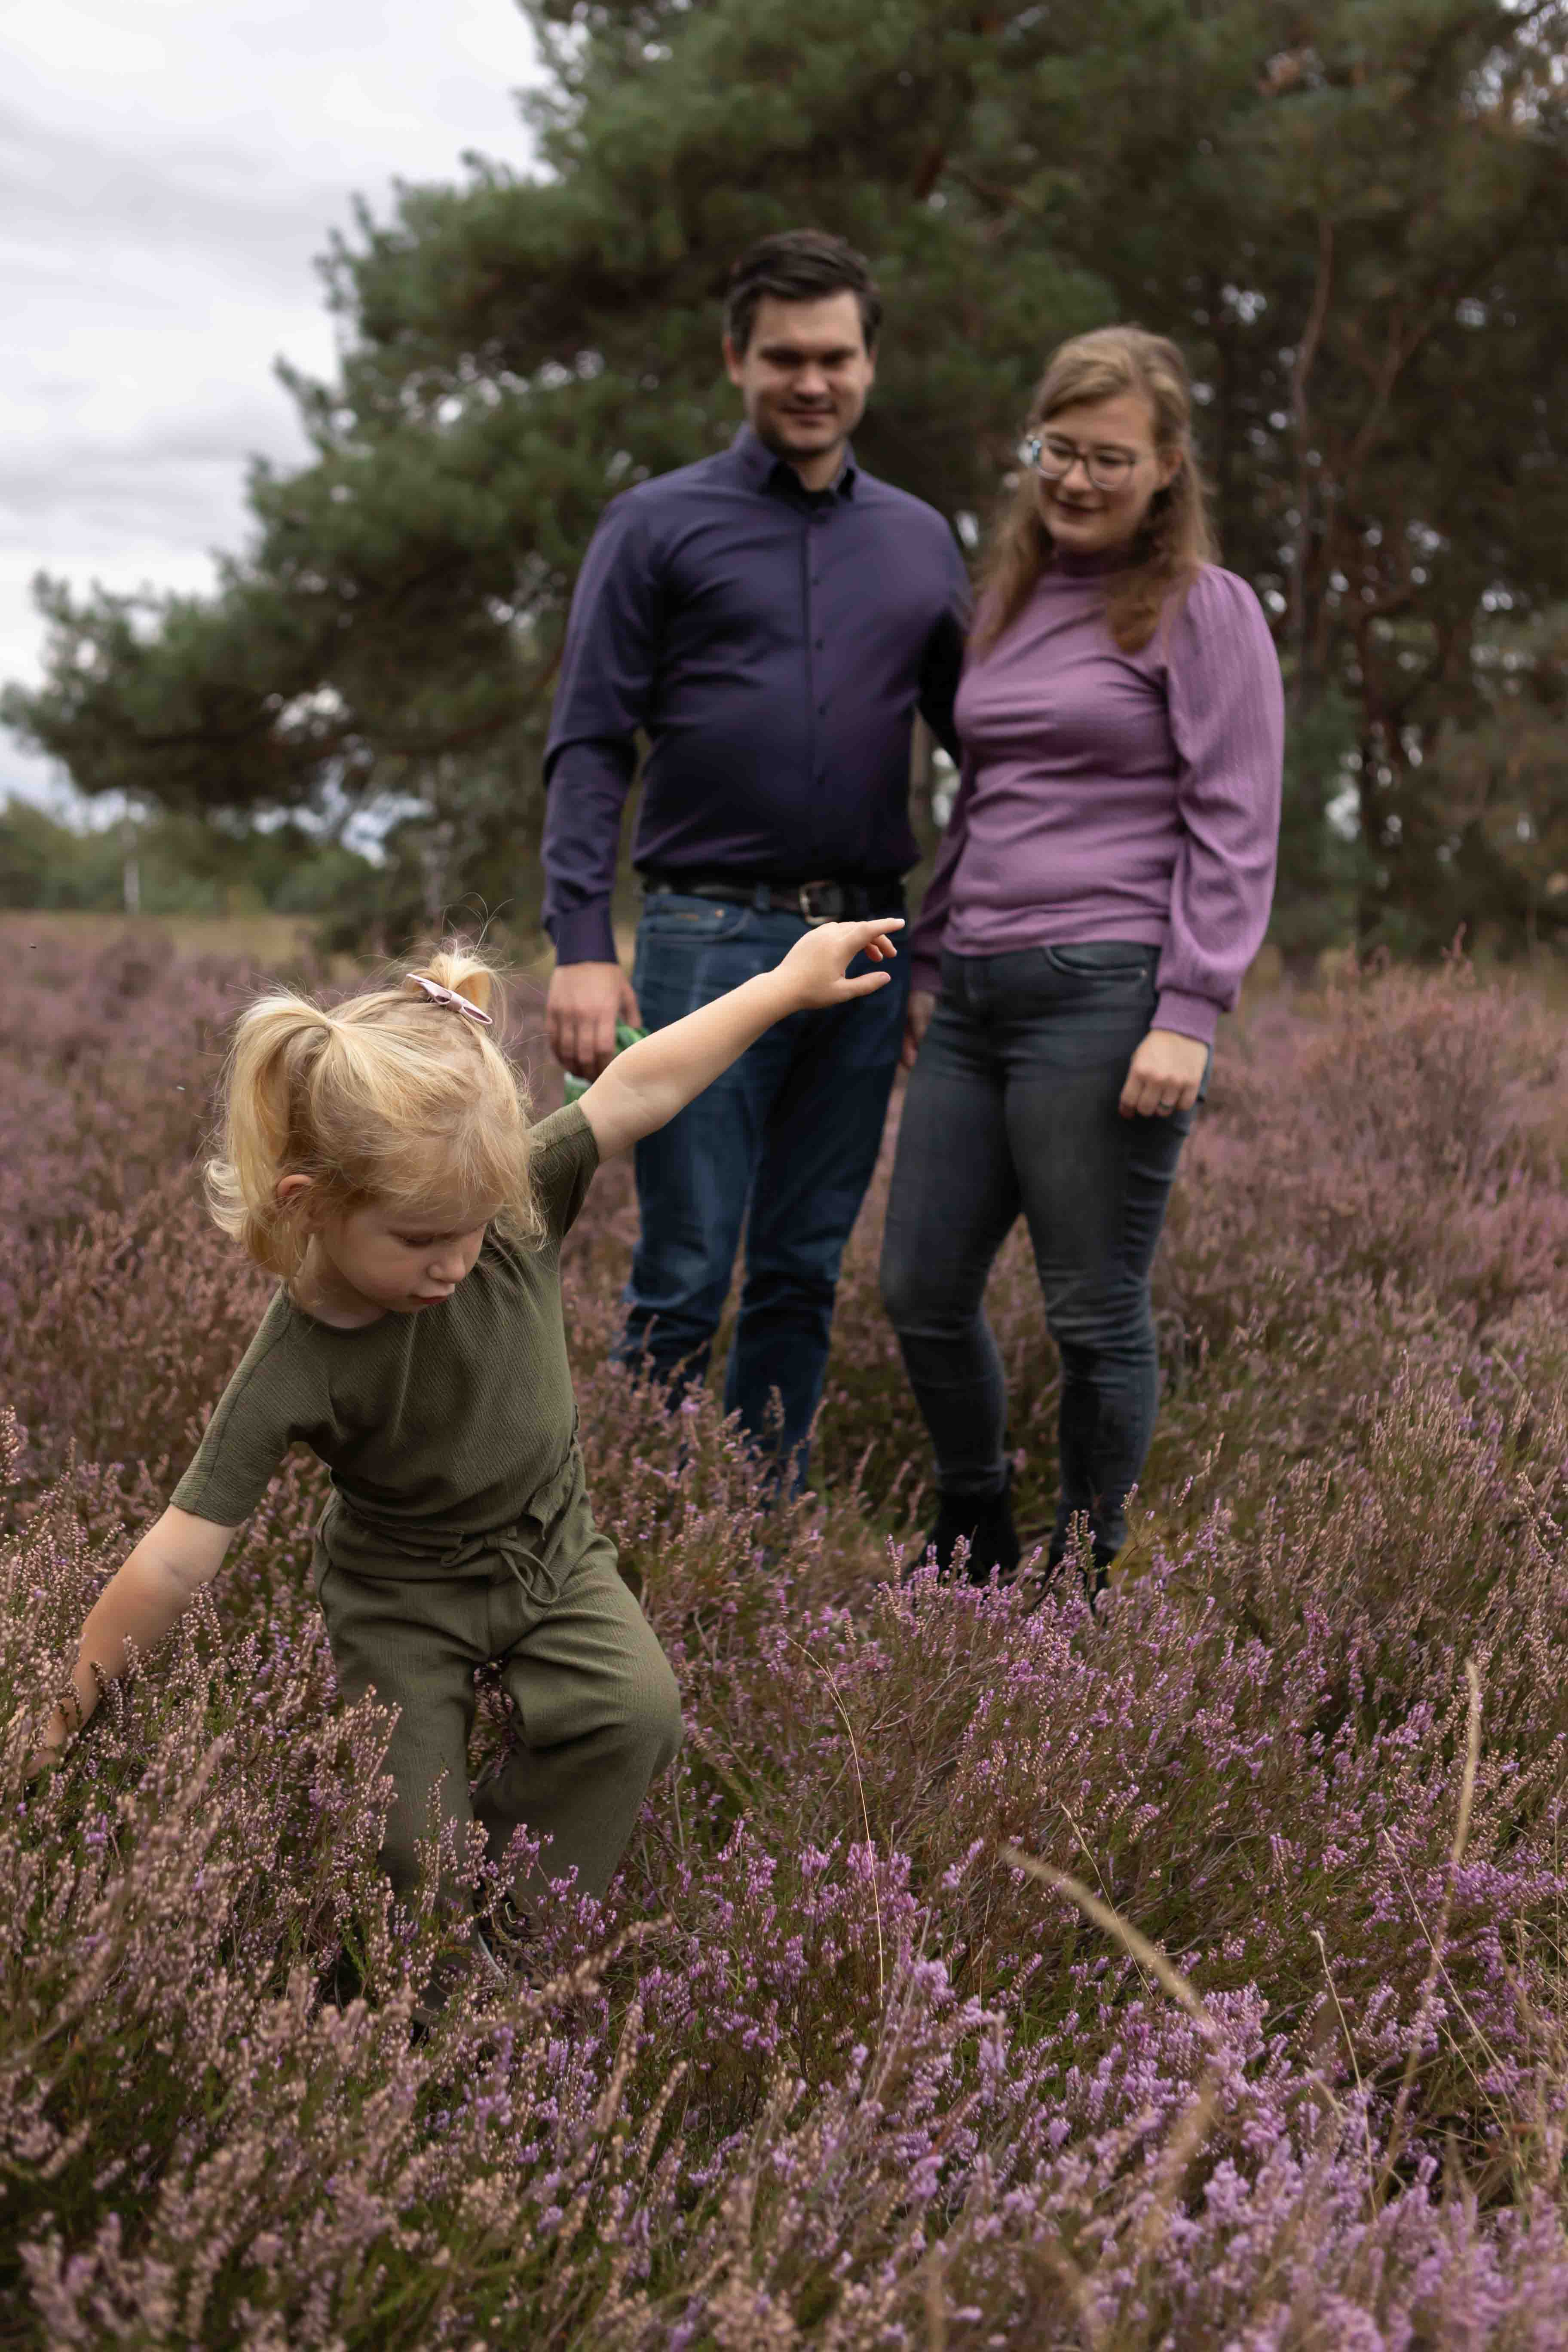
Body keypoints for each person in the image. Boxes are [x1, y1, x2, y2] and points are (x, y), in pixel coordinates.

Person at [28, 918, 904, 2002]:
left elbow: (640, 1086)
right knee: (410, 1851)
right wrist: (60, 1713)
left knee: (635, 1716)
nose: (455, 1263)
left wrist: (780, 985)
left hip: (554, 1551)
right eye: (419, 1240)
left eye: (475, 1226)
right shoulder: (293, 1362)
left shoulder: (507, 1207)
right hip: (400, 1596)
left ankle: (503, 1959)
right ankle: (406, 1978)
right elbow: (175, 1555)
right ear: (309, 1204)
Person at [542, 228, 968, 1485]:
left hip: (866, 942)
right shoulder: (653, 525)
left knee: (799, 1271)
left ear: (870, 363)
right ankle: (635, 1529)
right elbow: (589, 743)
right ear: (737, 359)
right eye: (784, 357)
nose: (811, 381)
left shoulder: (922, 541)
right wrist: (581, 944)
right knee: (682, 1269)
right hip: (702, 938)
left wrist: (936, 954)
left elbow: (993, 754)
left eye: (835, 356)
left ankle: (755, 1539)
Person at [881, 325, 1283, 1588]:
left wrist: (1192, 1008)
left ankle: (1082, 1575)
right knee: (919, 1289)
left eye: (1111, 456)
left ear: (1167, 467)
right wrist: (929, 965)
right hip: (973, 992)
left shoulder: (1204, 610)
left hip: (1107, 997)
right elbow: (980, 801)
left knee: (1093, 1310)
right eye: (1057, 448)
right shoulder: (1003, 604)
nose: (1077, 478)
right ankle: (977, 1521)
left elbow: (1235, 820)